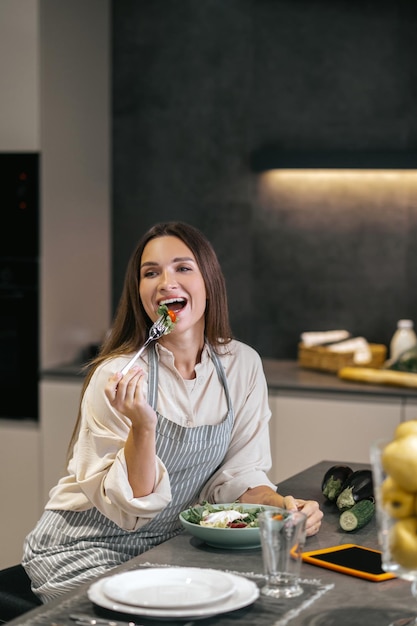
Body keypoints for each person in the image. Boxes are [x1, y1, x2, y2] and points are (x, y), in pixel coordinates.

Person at [22, 221, 323, 602]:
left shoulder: (241, 365)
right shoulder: (116, 377)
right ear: (140, 292)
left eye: (183, 268)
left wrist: (282, 508)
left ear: (209, 282)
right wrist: (142, 428)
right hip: (83, 550)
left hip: (168, 550)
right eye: (151, 273)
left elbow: (239, 476)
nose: (166, 282)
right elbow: (132, 511)